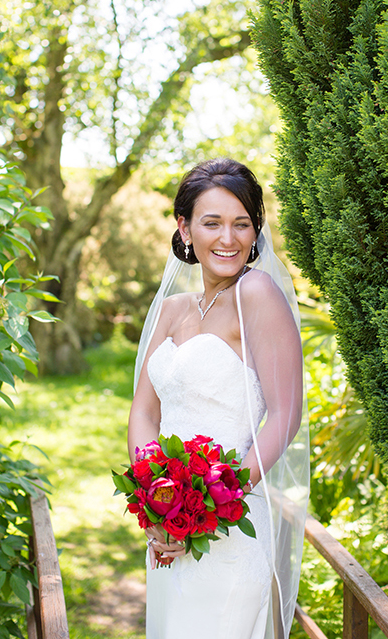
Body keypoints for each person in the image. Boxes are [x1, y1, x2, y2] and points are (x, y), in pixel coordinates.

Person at [128, 158, 309, 639]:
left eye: (241, 224)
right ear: (184, 228)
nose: (227, 238)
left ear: (255, 231)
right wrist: (159, 505)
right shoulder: (170, 311)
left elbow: (285, 416)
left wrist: (206, 509)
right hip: (170, 530)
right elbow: (145, 412)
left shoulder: (257, 294)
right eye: (212, 223)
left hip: (230, 527)